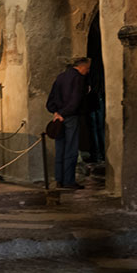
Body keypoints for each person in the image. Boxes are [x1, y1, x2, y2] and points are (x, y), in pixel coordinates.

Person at [46, 57, 91, 189]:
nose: (87, 72)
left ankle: (59, 179)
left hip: (58, 118)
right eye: (87, 68)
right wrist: (63, 114)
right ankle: (68, 181)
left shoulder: (60, 77)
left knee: (60, 149)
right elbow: (75, 101)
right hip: (70, 116)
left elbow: (50, 100)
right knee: (71, 149)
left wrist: (56, 112)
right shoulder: (78, 79)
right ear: (81, 67)